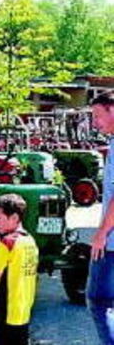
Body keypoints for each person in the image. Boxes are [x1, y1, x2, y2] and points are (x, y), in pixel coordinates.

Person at [0, 193, 38, 345]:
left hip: (6, 308)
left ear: (14, 218)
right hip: (24, 307)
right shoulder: (30, 240)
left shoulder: (7, 243)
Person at [88, 91, 114, 344]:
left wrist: (101, 233)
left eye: (97, 115)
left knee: (98, 301)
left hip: (112, 241)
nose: (95, 123)